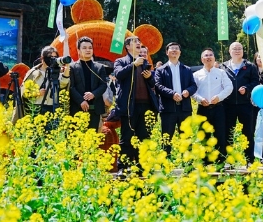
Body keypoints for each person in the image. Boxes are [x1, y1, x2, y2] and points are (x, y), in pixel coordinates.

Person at [114, 36, 159, 169]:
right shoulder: (120, 61)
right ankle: (123, 167)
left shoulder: (145, 62)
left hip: (145, 105)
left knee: (144, 137)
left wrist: (150, 77)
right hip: (129, 106)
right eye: (135, 42)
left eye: (139, 42)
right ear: (127, 47)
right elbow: (118, 74)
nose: (139, 44)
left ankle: (142, 166)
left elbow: (152, 84)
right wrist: (133, 64)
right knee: (127, 137)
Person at [154, 42, 197, 156]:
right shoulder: (161, 70)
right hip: (168, 109)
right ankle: (165, 164)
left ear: (180, 53)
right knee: (166, 137)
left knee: (186, 137)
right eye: (171, 49)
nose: (174, 50)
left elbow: (193, 85)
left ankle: (188, 165)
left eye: (176, 49)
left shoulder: (187, 69)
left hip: (185, 108)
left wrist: (188, 91)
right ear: (167, 52)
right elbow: (158, 86)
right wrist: (172, 94)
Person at [220, 42, 259, 164]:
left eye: (240, 49)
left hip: (246, 105)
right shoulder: (223, 67)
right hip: (228, 105)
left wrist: (247, 88)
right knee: (228, 133)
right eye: (234, 49)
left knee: (248, 133)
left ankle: (249, 160)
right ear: (229, 51)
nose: (237, 51)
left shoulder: (250, 66)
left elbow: (256, 82)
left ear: (243, 51)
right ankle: (229, 161)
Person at [193, 48, 233, 161]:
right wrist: (200, 99)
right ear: (202, 59)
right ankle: (205, 162)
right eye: (206, 55)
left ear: (214, 58)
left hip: (218, 108)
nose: (208, 57)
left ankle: (221, 161)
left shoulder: (221, 73)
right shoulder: (196, 75)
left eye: (211, 55)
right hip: (203, 108)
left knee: (220, 135)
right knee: (203, 135)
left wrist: (219, 97)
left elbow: (229, 87)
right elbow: (193, 91)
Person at [18, 46, 70, 119]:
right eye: (50, 57)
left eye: (55, 57)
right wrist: (37, 93)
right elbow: (24, 93)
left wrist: (67, 68)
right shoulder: (33, 73)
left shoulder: (57, 72)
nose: (53, 59)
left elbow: (63, 84)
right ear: (42, 58)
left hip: (53, 107)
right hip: (36, 108)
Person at [68, 37, 107, 130]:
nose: (88, 50)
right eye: (84, 48)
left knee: (93, 138)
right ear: (78, 50)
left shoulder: (99, 67)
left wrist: (93, 94)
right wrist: (81, 101)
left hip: (95, 109)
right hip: (77, 109)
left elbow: (103, 85)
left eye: (90, 48)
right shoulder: (72, 67)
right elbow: (71, 87)